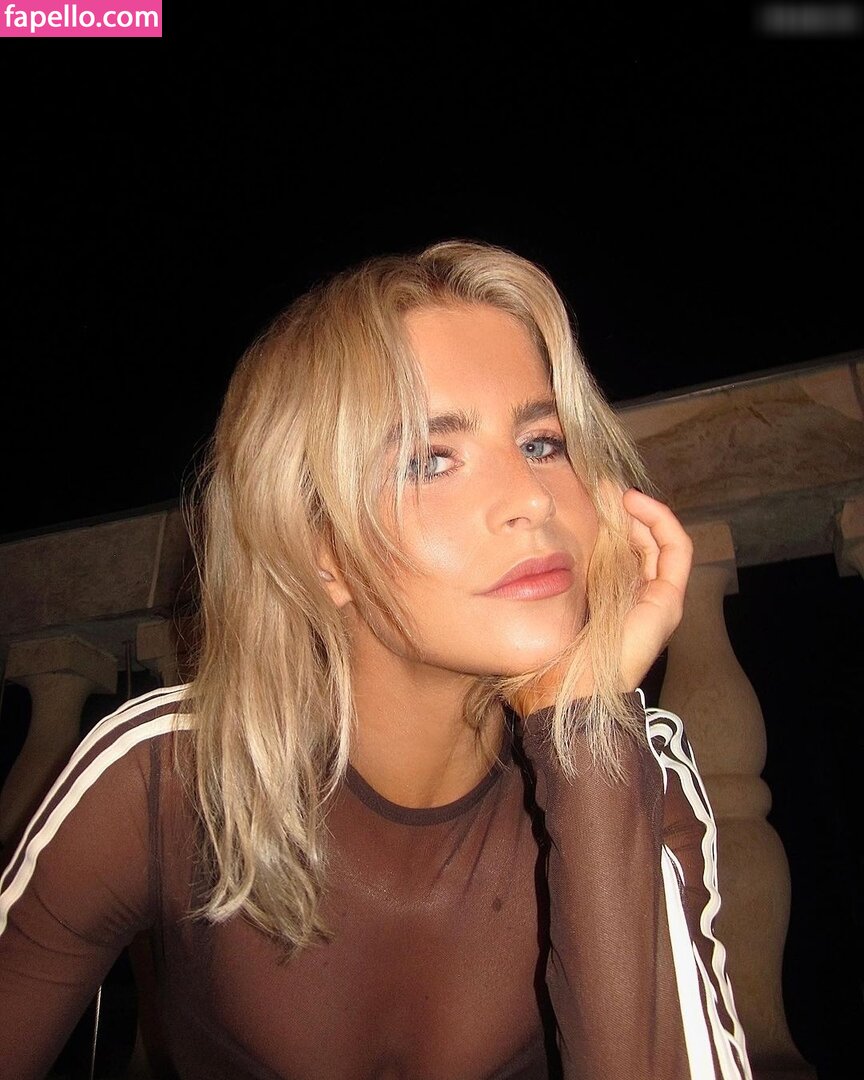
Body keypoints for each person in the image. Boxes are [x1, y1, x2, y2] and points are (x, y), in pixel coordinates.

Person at [0, 240, 752, 1079]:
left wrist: (587, 737)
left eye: (542, 442)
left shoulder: (639, 780)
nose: (534, 499)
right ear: (320, 549)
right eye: (431, 460)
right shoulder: (166, 776)